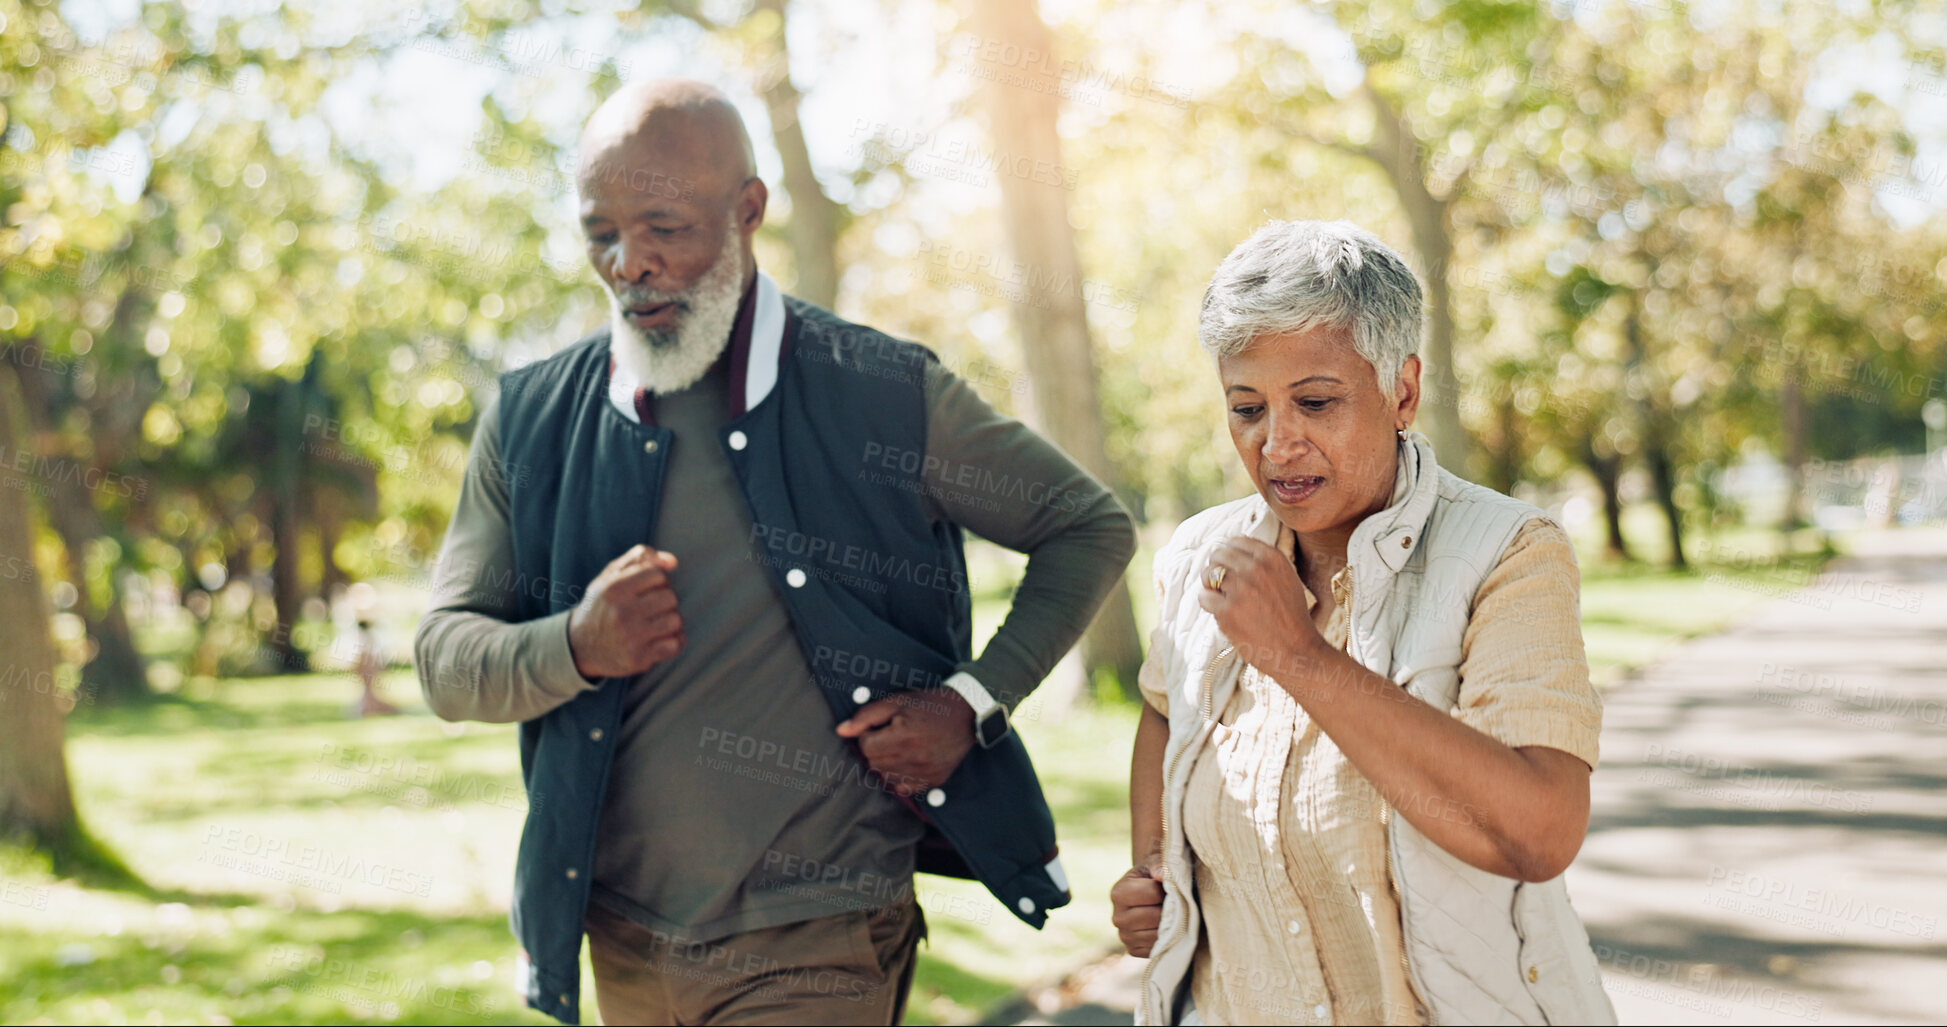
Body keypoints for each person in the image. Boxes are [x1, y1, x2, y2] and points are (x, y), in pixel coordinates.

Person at [414, 78, 1136, 1026]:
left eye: (663, 226)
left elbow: (1087, 526)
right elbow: (442, 661)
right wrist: (576, 645)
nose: (629, 263)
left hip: (817, 934)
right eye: (601, 233)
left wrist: (971, 703)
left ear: (748, 209)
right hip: (621, 940)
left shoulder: (882, 392)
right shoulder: (531, 417)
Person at [1112, 220, 1615, 1025]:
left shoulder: (1508, 553)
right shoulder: (1197, 556)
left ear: (1402, 392)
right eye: (1246, 407)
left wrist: (1299, 655)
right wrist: (1152, 866)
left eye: (1314, 401)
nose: (1276, 443)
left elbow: (1539, 830)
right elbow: (1161, 706)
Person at [349, 618, 398, 718]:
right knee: (368, 690)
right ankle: (368, 707)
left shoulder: (360, 637)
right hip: (367, 664)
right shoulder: (366, 638)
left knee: (368, 690)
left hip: (366, 665)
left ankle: (368, 707)